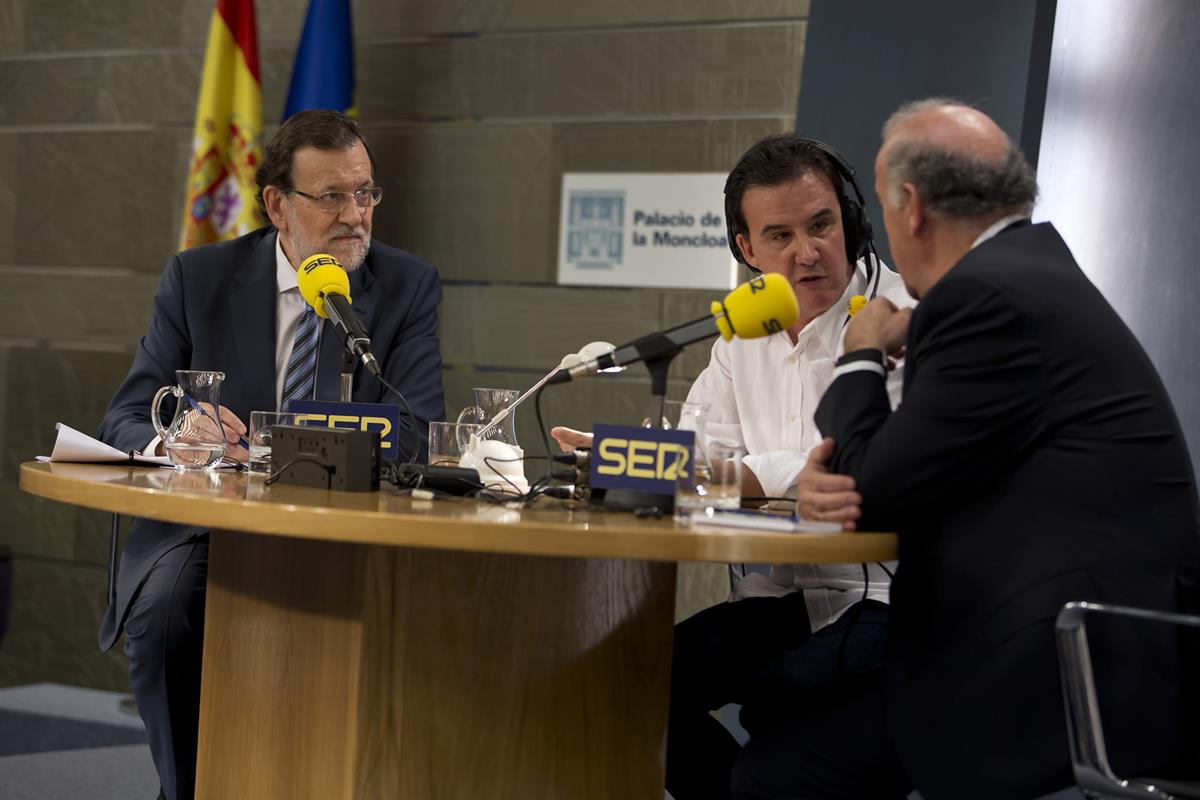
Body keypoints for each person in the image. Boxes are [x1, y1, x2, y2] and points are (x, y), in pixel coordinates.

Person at [790, 98, 1200, 800]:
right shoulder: (1023, 279)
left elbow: (872, 488)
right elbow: (905, 480)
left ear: (911, 207)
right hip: (1096, 668)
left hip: (1055, 691)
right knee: (789, 756)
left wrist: (858, 356)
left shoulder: (986, 299)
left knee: (790, 752)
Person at [96, 109, 445, 800]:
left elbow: (416, 427)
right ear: (277, 206)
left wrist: (293, 446)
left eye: (366, 192)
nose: (356, 215)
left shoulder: (405, 287)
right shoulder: (199, 278)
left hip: (344, 531)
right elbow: (125, 418)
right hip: (208, 529)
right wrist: (179, 437)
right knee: (167, 613)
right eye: (333, 196)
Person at [553, 134, 914, 800]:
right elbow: (702, 456)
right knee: (621, 689)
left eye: (821, 225)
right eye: (780, 235)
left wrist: (736, 473)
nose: (807, 252)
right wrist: (621, 459)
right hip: (776, 602)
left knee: (773, 745)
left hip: (886, 607)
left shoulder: (898, 320)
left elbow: (846, 470)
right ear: (746, 250)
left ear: (851, 220)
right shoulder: (740, 333)